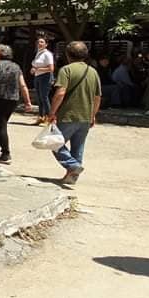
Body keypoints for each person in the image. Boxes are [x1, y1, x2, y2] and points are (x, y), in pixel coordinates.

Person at [47, 41, 101, 185]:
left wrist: (52, 112)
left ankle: (72, 166)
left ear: (67, 54)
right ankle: (71, 176)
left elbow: (60, 93)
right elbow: (97, 97)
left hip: (68, 114)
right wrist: (93, 115)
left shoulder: (66, 70)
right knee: (78, 147)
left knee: (54, 143)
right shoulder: (93, 71)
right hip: (85, 116)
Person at [0, 44, 32, 163]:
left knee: (0, 125)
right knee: (2, 123)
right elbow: (23, 85)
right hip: (13, 99)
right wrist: (28, 102)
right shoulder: (16, 67)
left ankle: (6, 153)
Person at [30, 33, 55, 124]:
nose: (39, 43)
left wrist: (38, 69)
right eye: (38, 42)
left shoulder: (47, 54)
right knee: (39, 98)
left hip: (45, 77)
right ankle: (41, 117)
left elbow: (51, 68)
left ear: (46, 44)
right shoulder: (38, 53)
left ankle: (49, 118)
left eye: (42, 42)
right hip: (37, 76)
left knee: (44, 97)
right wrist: (33, 69)